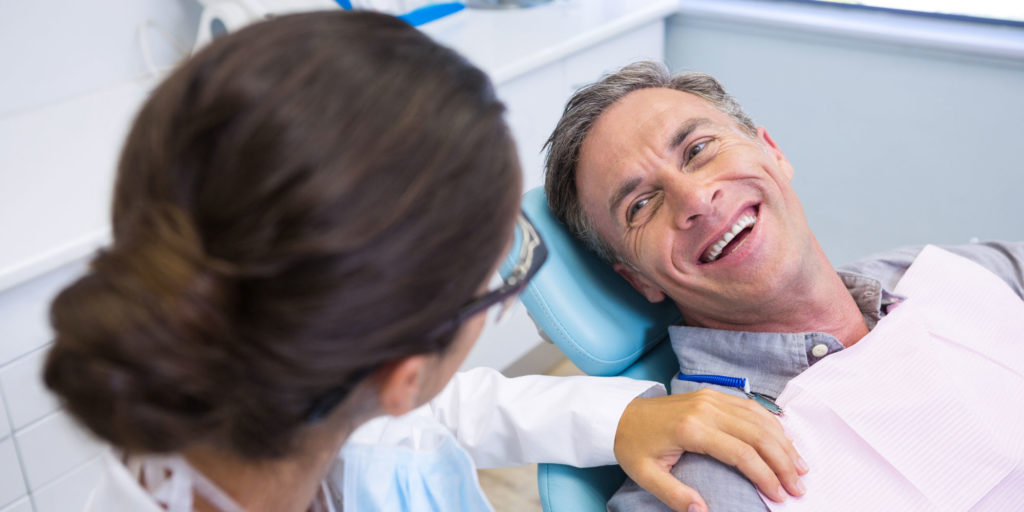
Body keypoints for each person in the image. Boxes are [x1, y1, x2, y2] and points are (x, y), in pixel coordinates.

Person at [41, 14, 805, 512]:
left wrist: (620, 414)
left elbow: (451, 415)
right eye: (503, 273)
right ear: (400, 375)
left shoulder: (273, 400)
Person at [543, 61, 1024, 511]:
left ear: (773, 152)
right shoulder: (703, 484)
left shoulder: (946, 271)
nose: (695, 198)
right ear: (638, 278)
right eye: (641, 205)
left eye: (698, 150)